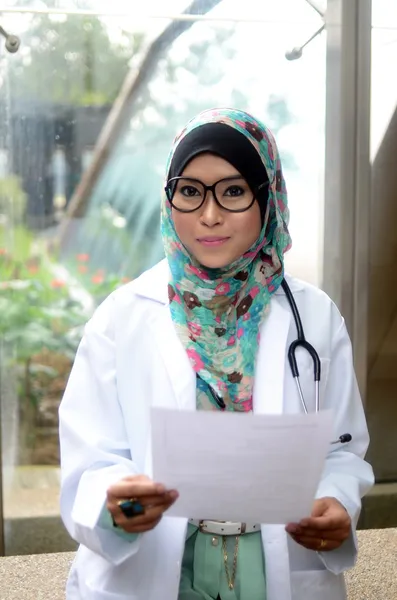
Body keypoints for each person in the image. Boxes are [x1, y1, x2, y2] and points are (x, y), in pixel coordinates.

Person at [59, 107, 374, 600]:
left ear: (267, 196)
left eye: (232, 191)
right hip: (155, 565)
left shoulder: (314, 317)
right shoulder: (120, 319)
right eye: (189, 191)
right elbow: (92, 457)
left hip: (276, 568)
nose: (209, 215)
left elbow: (340, 448)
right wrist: (117, 503)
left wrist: (335, 503)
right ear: (169, 199)